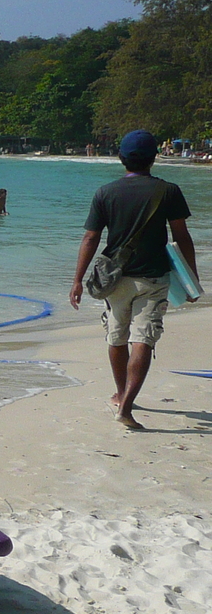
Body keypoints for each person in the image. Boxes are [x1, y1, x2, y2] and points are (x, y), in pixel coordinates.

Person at [70, 130, 198, 429]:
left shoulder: (105, 192)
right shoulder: (168, 191)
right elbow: (182, 237)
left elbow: (91, 237)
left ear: (121, 159)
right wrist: (192, 278)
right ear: (155, 158)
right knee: (144, 339)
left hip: (114, 280)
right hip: (153, 278)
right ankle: (125, 406)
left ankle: (120, 393)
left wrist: (76, 280)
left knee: (117, 337)